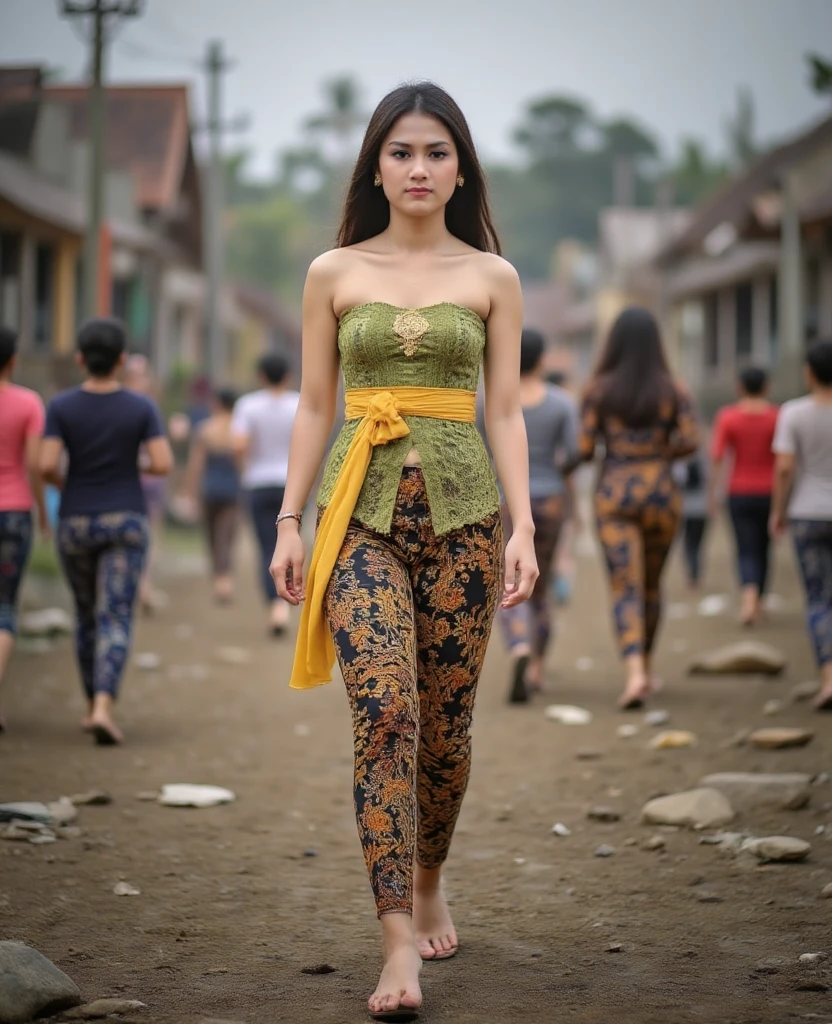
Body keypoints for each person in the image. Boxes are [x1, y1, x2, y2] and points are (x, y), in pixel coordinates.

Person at [268, 82, 538, 1022]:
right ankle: (394, 942)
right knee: (387, 712)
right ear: (375, 166)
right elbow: (312, 404)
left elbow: (504, 410)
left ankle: (431, 878)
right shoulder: (332, 270)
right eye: (400, 152)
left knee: (448, 729)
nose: (418, 169)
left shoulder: (492, 278)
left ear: (461, 166)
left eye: (436, 152)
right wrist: (290, 519)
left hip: (466, 519)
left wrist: (528, 527)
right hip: (359, 514)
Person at [39, 319, 173, 745]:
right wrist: (129, 466)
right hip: (126, 521)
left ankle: (88, 706)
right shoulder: (140, 408)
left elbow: (45, 465)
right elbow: (163, 463)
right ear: (120, 361)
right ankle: (102, 705)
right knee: (116, 614)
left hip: (76, 520)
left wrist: (72, 482)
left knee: (85, 614)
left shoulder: (60, 407)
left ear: (80, 359)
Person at [567, 306, 699, 710]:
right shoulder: (674, 389)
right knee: (653, 586)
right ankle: (648, 666)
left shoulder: (598, 390)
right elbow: (691, 441)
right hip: (661, 492)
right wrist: (658, 450)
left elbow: (586, 448)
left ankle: (635, 672)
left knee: (626, 584)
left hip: (615, 495)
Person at [496, 327, 578, 703]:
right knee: (540, 588)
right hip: (550, 499)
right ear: (543, 359)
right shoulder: (561, 403)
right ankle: (538, 667)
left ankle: (517, 646)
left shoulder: (492, 401)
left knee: (508, 582)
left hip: (504, 501)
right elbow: (575, 453)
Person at [770, 339, 832, 711]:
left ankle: (829, 678)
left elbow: (784, 468)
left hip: (808, 514)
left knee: (819, 599)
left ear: (808, 372)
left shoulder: (793, 413)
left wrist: (778, 511)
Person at [0, 327, 48, 731]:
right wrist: (44, 514)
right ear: (13, 360)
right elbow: (35, 465)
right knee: (4, 607)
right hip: (14, 512)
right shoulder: (28, 403)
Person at [231, 352, 299, 635]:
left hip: (258, 484)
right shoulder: (298, 404)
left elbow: (238, 445)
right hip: (291, 486)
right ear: (287, 376)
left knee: (265, 548)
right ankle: (286, 605)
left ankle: (275, 606)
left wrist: (246, 470)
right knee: (291, 543)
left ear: (260, 376)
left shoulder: (248, 405)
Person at [709, 366, 779, 626]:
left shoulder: (728, 417)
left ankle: (748, 600)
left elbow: (717, 457)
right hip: (770, 492)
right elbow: (784, 460)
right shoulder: (777, 417)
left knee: (745, 549)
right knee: (764, 548)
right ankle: (758, 601)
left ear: (739, 387)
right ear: (766, 387)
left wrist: (712, 493)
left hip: (738, 491)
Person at [181, 387, 241, 603]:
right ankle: (224, 579)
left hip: (209, 488)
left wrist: (189, 490)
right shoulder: (239, 429)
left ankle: (219, 576)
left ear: (216, 403)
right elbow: (243, 462)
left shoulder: (205, 429)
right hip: (233, 488)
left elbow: (196, 464)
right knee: (227, 534)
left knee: (212, 534)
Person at [123, 354, 168, 615]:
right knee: (146, 533)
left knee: (140, 533)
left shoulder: (116, 401)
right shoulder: (149, 405)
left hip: (131, 479)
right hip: (146, 478)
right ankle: (142, 584)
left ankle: (140, 584)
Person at [673, 447, 710, 590]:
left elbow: (676, 480)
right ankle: (695, 574)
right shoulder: (703, 458)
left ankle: (692, 576)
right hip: (701, 508)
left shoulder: (679, 460)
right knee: (697, 544)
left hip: (685, 509)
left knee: (689, 544)